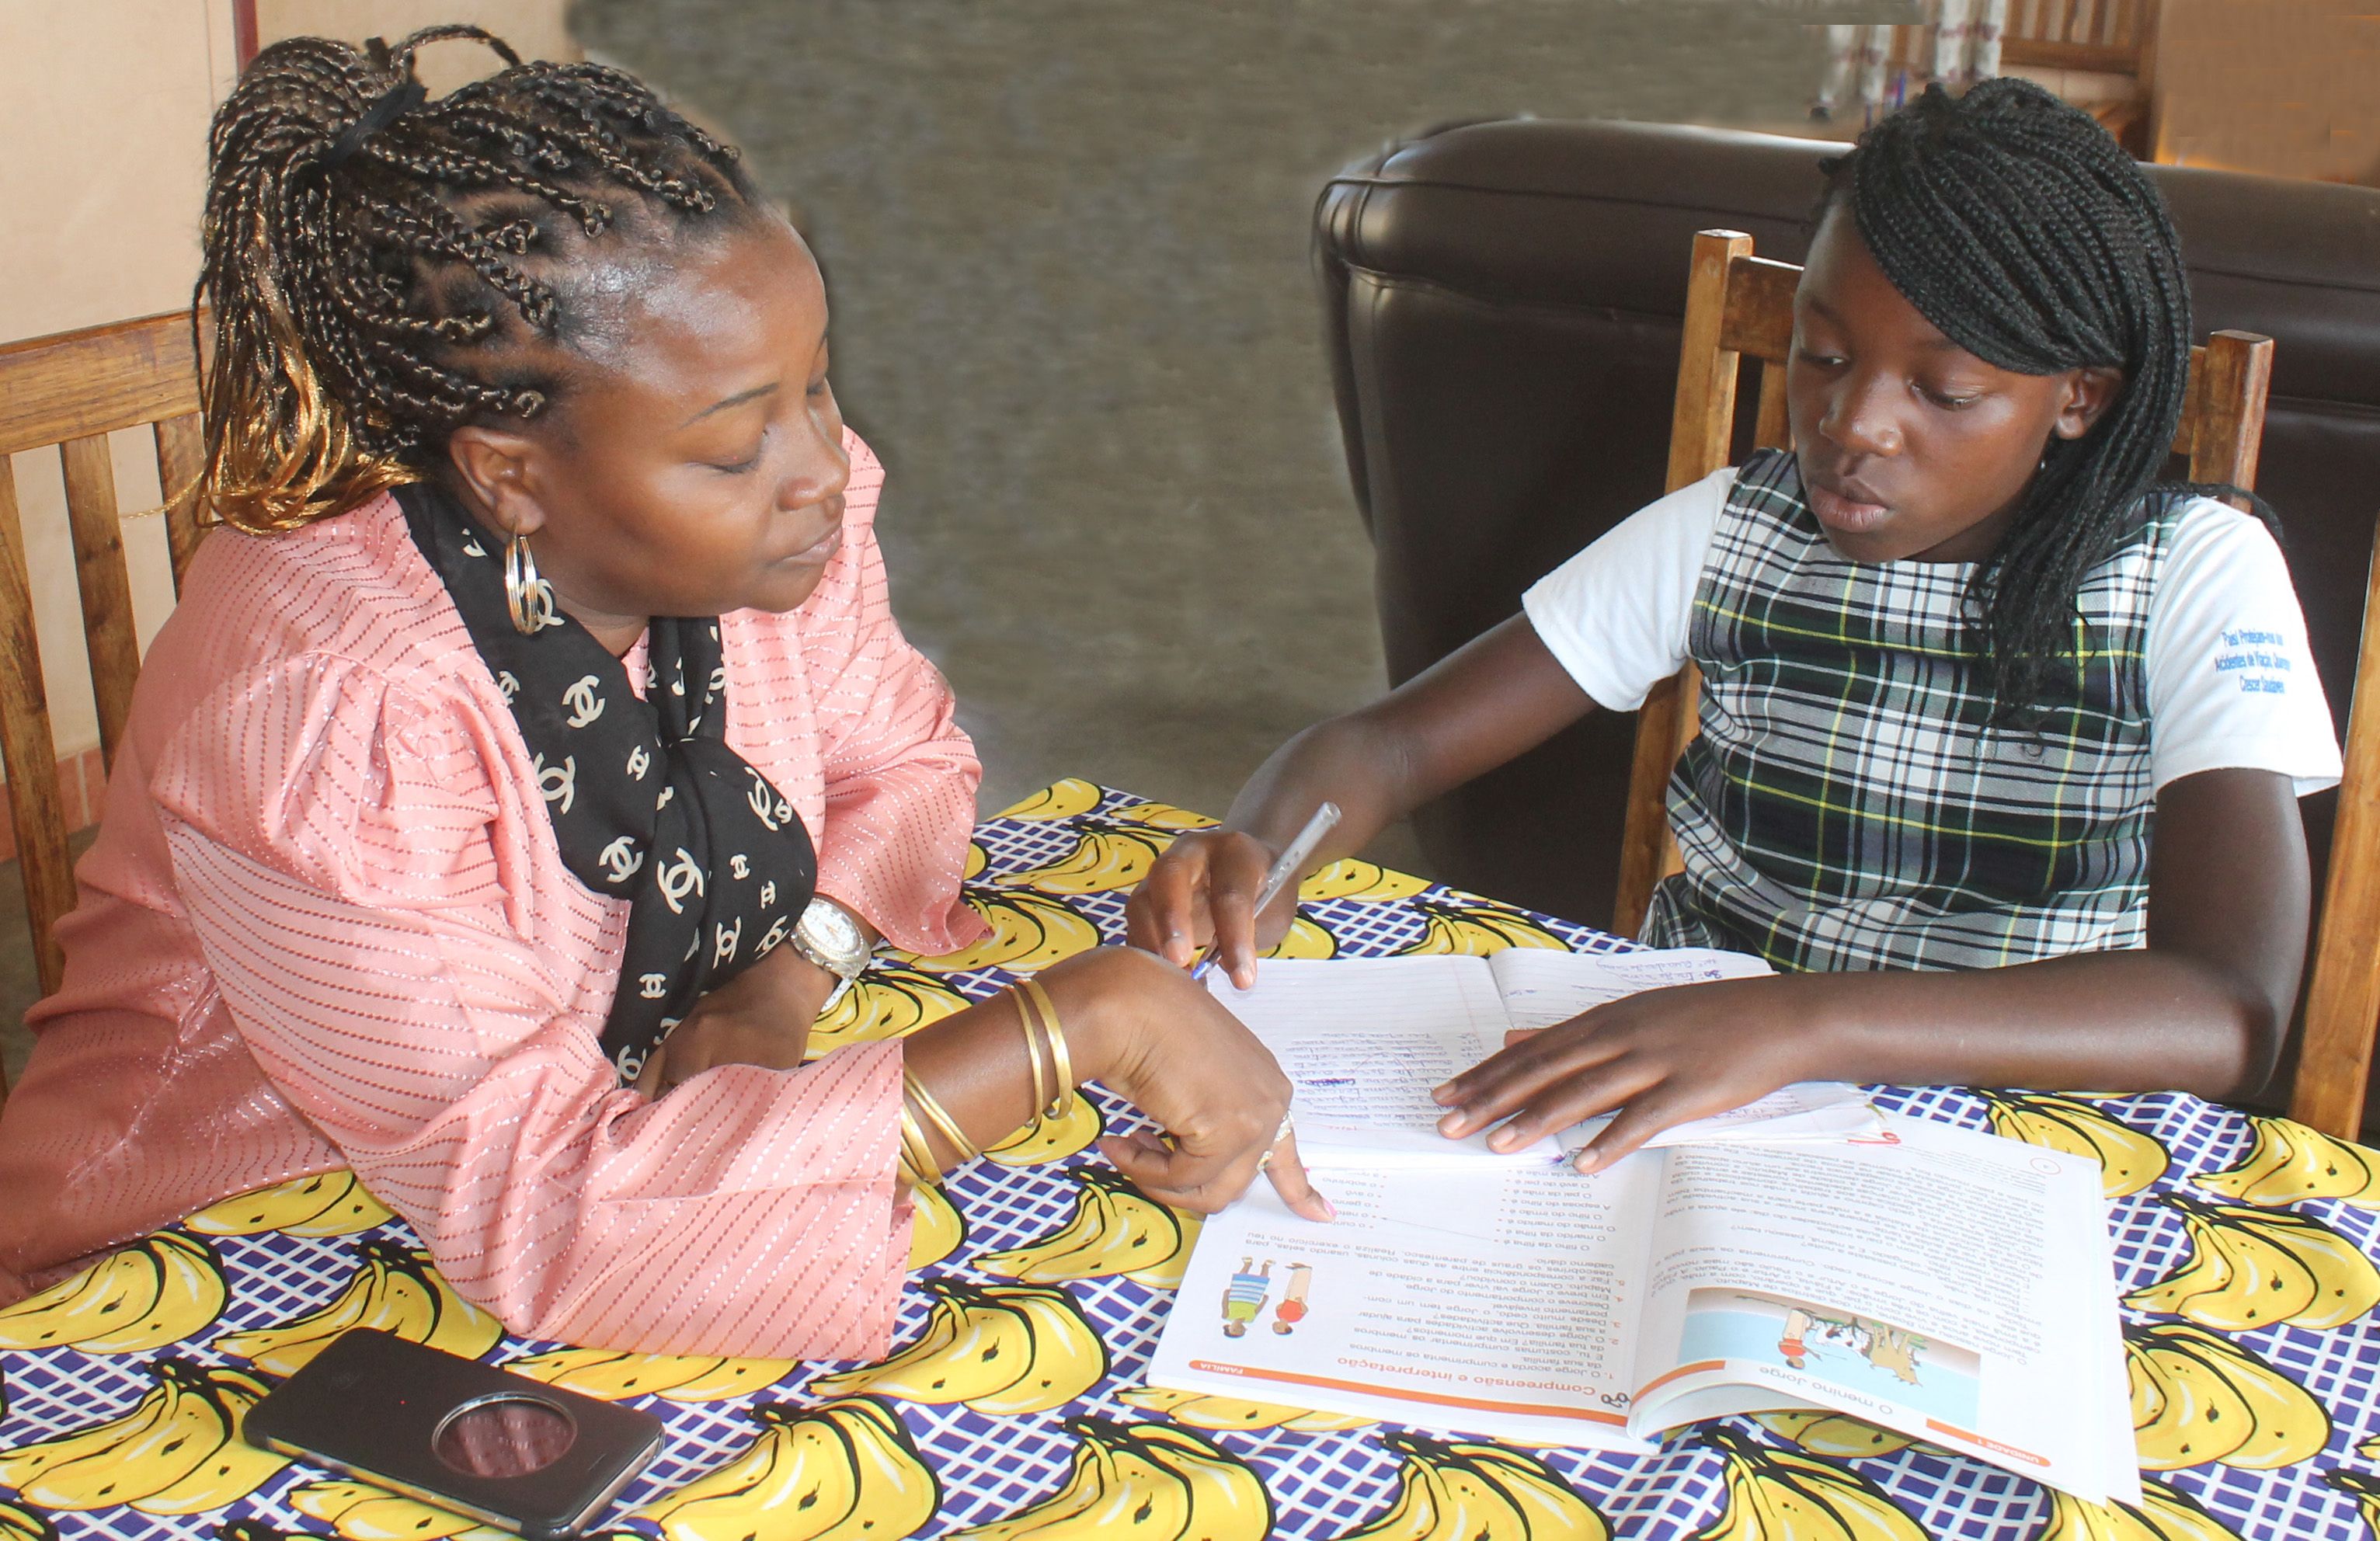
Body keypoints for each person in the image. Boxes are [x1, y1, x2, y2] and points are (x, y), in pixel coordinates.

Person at [0, 27, 1324, 1358]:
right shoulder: (332, 713)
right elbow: (551, 1218)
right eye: (742, 443)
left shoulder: (743, 520)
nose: (823, 466)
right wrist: (1077, 1022)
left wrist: (788, 976)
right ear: (510, 475)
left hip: (574, 1142)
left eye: (816, 387)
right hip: (214, 1255)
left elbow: (905, 765)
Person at [1129, 79, 2341, 1172]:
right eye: (1821, 355)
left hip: (2008, 1136)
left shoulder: (2193, 574)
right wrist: (1263, 840)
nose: (1853, 423)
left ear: (2079, 398)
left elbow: (2225, 1011)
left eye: (1944, 391)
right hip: (1691, 1107)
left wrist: (1803, 1020)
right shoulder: (1735, 530)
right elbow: (1390, 749)